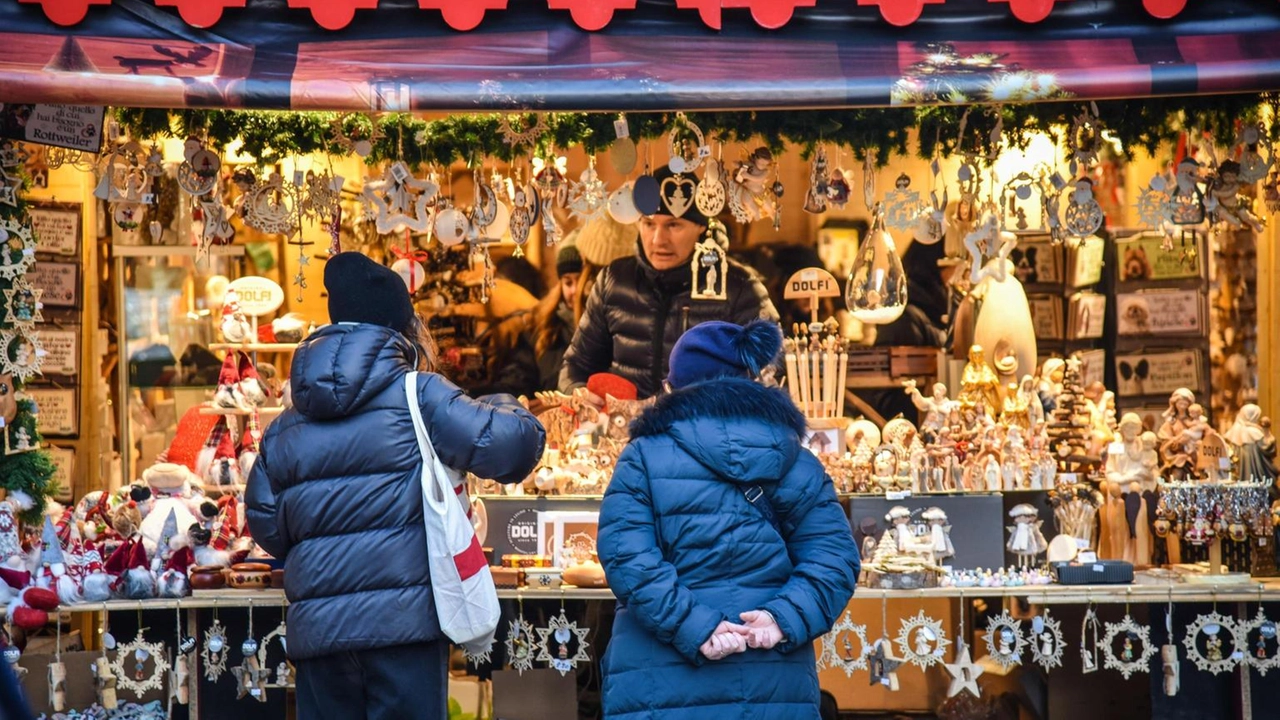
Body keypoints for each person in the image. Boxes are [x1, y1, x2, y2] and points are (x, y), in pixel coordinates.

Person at [245, 252, 546, 720]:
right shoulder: (420, 395)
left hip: (319, 638)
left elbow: (267, 527)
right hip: (404, 634)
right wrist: (503, 401)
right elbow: (512, 449)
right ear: (399, 326)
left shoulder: (285, 426)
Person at [597, 319, 860, 719]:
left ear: (671, 389)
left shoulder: (642, 458)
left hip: (658, 679)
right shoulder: (796, 461)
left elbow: (627, 558)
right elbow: (835, 558)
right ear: (749, 382)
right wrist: (781, 619)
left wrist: (695, 624)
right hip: (772, 676)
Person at [560, 168, 778, 399]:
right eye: (649, 224)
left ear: (701, 227)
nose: (658, 240)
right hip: (623, 429)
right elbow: (575, 366)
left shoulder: (739, 288)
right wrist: (580, 395)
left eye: (673, 225)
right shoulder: (613, 281)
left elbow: (771, 374)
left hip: (703, 430)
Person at [529, 244, 583, 392]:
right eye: (568, 282)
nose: (574, 290)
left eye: (580, 281)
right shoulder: (547, 325)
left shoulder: (598, 326)